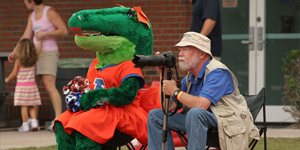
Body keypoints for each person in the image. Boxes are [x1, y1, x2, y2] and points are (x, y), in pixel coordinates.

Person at [147, 32, 259, 150]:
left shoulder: (217, 72)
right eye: (180, 50)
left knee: (195, 113)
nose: (180, 54)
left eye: (186, 50)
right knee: (156, 115)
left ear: (201, 54)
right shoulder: (190, 77)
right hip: (198, 121)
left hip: (225, 123)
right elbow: (168, 107)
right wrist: (163, 75)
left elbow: (201, 105)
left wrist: (175, 91)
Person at [7, 0, 68, 131]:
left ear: (32, 1)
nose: (24, 3)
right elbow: (26, 36)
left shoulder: (49, 12)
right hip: (34, 54)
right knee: (31, 86)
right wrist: (15, 51)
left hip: (48, 52)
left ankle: (58, 119)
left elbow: (63, 30)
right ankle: (32, 120)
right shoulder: (32, 15)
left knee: (49, 85)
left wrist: (46, 33)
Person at [5, 39, 42, 132]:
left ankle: (25, 125)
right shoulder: (34, 60)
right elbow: (38, 49)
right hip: (32, 87)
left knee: (24, 107)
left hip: (22, 88)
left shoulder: (18, 62)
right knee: (31, 106)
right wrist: (40, 41)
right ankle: (34, 123)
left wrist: (7, 79)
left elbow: (14, 73)